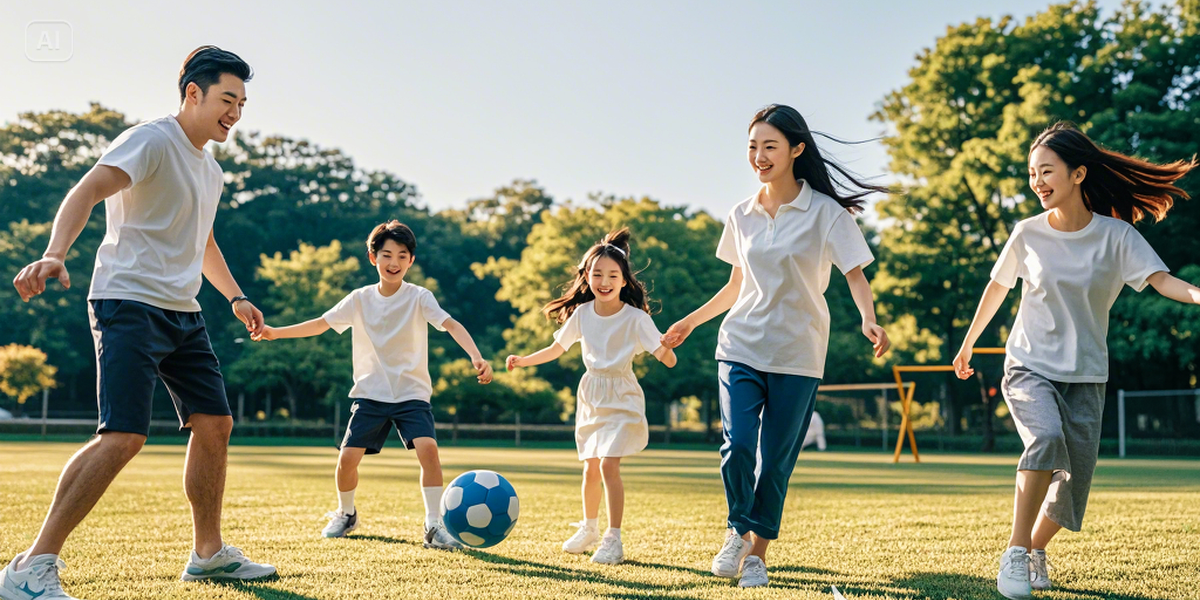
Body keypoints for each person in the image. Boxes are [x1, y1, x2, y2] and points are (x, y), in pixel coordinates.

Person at [4, 46, 275, 600]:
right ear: (193, 93)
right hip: (128, 303)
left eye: (243, 103)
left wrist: (236, 296)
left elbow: (202, 240)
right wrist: (56, 252)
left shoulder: (212, 169)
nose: (236, 113)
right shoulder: (152, 139)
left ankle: (207, 555)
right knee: (124, 436)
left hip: (186, 313)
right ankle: (30, 567)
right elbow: (88, 189)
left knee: (215, 424)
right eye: (228, 99)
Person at [953, 122, 1199, 600]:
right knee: (1044, 440)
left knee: (1071, 492)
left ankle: (1036, 550)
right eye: (1031, 173)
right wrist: (967, 344)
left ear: (1079, 173)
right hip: (1029, 365)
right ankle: (1015, 553)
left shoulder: (1116, 236)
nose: (1037, 181)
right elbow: (998, 288)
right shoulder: (1027, 233)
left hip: (1086, 375)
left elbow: (1162, 280)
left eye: (1046, 171)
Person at [661, 104, 891, 588]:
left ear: (796, 150)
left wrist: (869, 319)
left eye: (770, 146)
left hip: (798, 354)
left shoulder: (826, 213)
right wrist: (692, 321)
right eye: (752, 147)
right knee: (739, 445)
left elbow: (855, 274)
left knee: (775, 460)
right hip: (740, 344)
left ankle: (756, 555)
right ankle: (736, 528)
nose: (759, 156)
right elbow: (735, 285)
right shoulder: (740, 214)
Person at [253, 220, 493, 548]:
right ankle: (346, 512)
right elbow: (321, 324)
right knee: (347, 459)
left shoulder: (419, 297)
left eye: (402, 255)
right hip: (370, 393)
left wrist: (476, 356)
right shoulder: (359, 299)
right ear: (372, 257)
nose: (393, 262)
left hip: (411, 393)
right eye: (386, 254)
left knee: (429, 450)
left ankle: (433, 526)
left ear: (411, 261)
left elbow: (451, 324)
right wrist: (274, 332)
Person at [507, 228, 676, 565]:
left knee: (609, 464)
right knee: (590, 468)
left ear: (625, 281)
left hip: (622, 394)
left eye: (613, 275)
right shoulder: (582, 314)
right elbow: (557, 348)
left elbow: (668, 359)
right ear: (586, 277)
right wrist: (524, 360)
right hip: (591, 394)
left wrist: (667, 348)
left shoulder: (636, 318)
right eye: (597, 274)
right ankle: (589, 528)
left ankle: (614, 538)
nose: (604, 280)